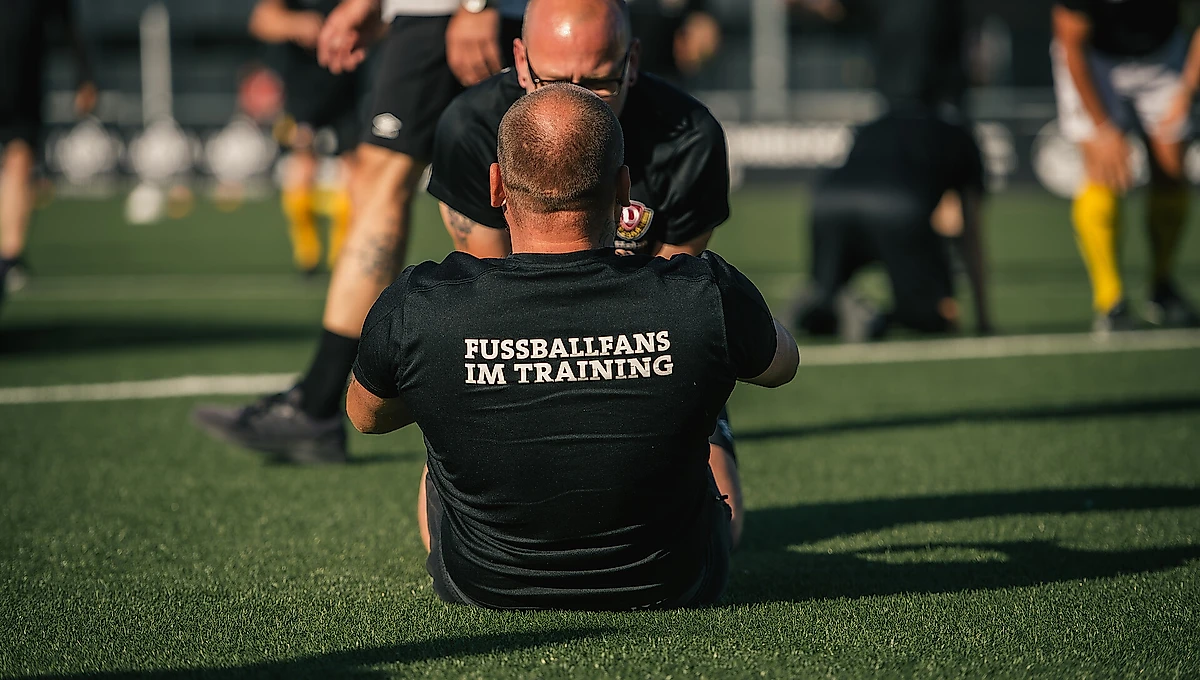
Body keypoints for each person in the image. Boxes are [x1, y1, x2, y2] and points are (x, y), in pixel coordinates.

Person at [347, 84, 799, 610]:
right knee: (709, 400)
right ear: (625, 188)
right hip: (676, 581)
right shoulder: (703, 291)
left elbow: (365, 417)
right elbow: (781, 364)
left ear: (496, 186)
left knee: (437, 408)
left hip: (483, 584)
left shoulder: (421, 301)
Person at [427, 0, 742, 540]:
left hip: (637, 352)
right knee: (443, 534)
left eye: (597, 82)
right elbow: (489, 306)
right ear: (521, 62)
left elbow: (674, 313)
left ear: (633, 61)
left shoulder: (688, 136)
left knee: (722, 530)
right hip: (516, 353)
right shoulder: (473, 127)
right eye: (551, 80)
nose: (573, 100)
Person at [191, 0, 525, 463]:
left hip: (450, 12)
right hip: (431, 14)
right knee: (461, 183)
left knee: (409, 181)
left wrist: (475, 4)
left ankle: (319, 404)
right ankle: (322, 400)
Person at [1051, 0, 1199, 333]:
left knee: (1172, 171)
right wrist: (1103, 129)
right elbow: (1070, 43)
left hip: (1162, 54)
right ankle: (1110, 300)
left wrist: (1188, 91)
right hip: (1094, 58)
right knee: (1105, 171)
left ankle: (1162, 287)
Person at [791, 105, 992, 341]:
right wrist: (983, 319)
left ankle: (821, 300)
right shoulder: (957, 135)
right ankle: (874, 319)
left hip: (828, 201)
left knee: (825, 299)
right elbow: (968, 230)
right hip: (896, 209)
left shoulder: (873, 126)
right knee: (934, 319)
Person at [249, 0, 365, 276]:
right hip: (303, 87)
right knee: (301, 166)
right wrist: (296, 24)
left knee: (353, 171)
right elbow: (261, 20)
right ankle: (308, 257)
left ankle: (342, 256)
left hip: (347, 82)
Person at [1, 0, 95, 309]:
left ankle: (9, 256)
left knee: (20, 159)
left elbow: (66, 23)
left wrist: (83, 76)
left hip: (21, 79)